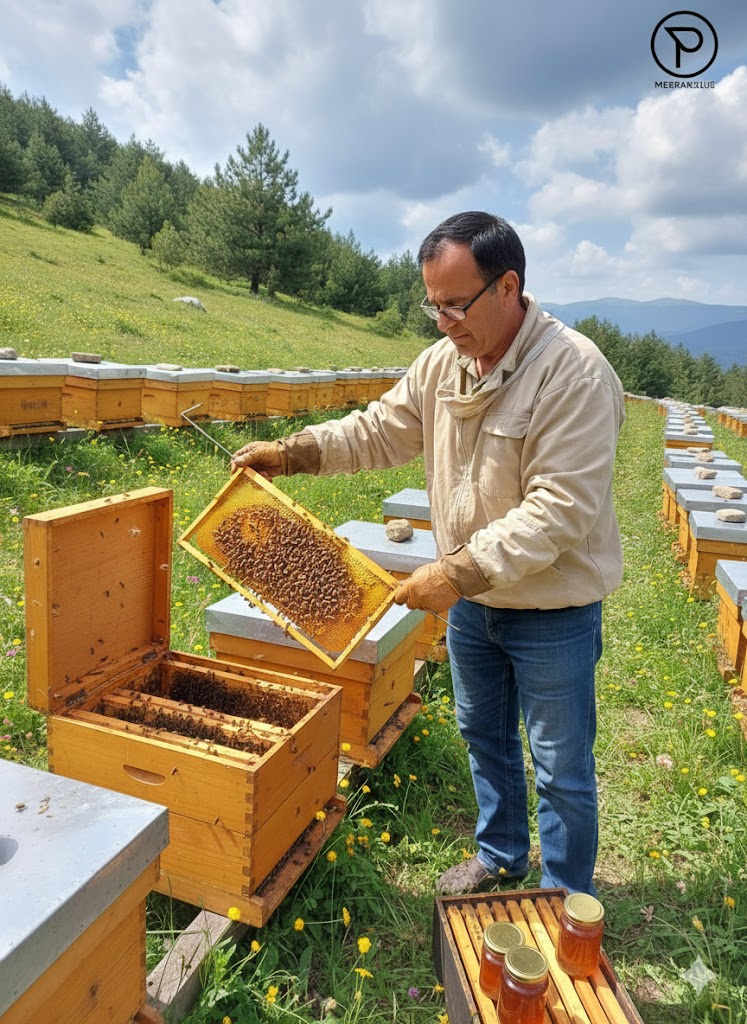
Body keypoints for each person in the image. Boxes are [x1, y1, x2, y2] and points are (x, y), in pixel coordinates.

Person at [231, 211, 625, 897]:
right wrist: (293, 453)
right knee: (482, 735)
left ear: (507, 286)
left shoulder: (573, 373)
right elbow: (379, 430)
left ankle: (565, 899)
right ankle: (500, 855)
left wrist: (456, 570)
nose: (442, 321)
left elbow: (559, 509)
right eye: (431, 305)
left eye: (454, 304)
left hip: (550, 608)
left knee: (560, 766)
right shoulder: (442, 363)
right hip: (474, 605)